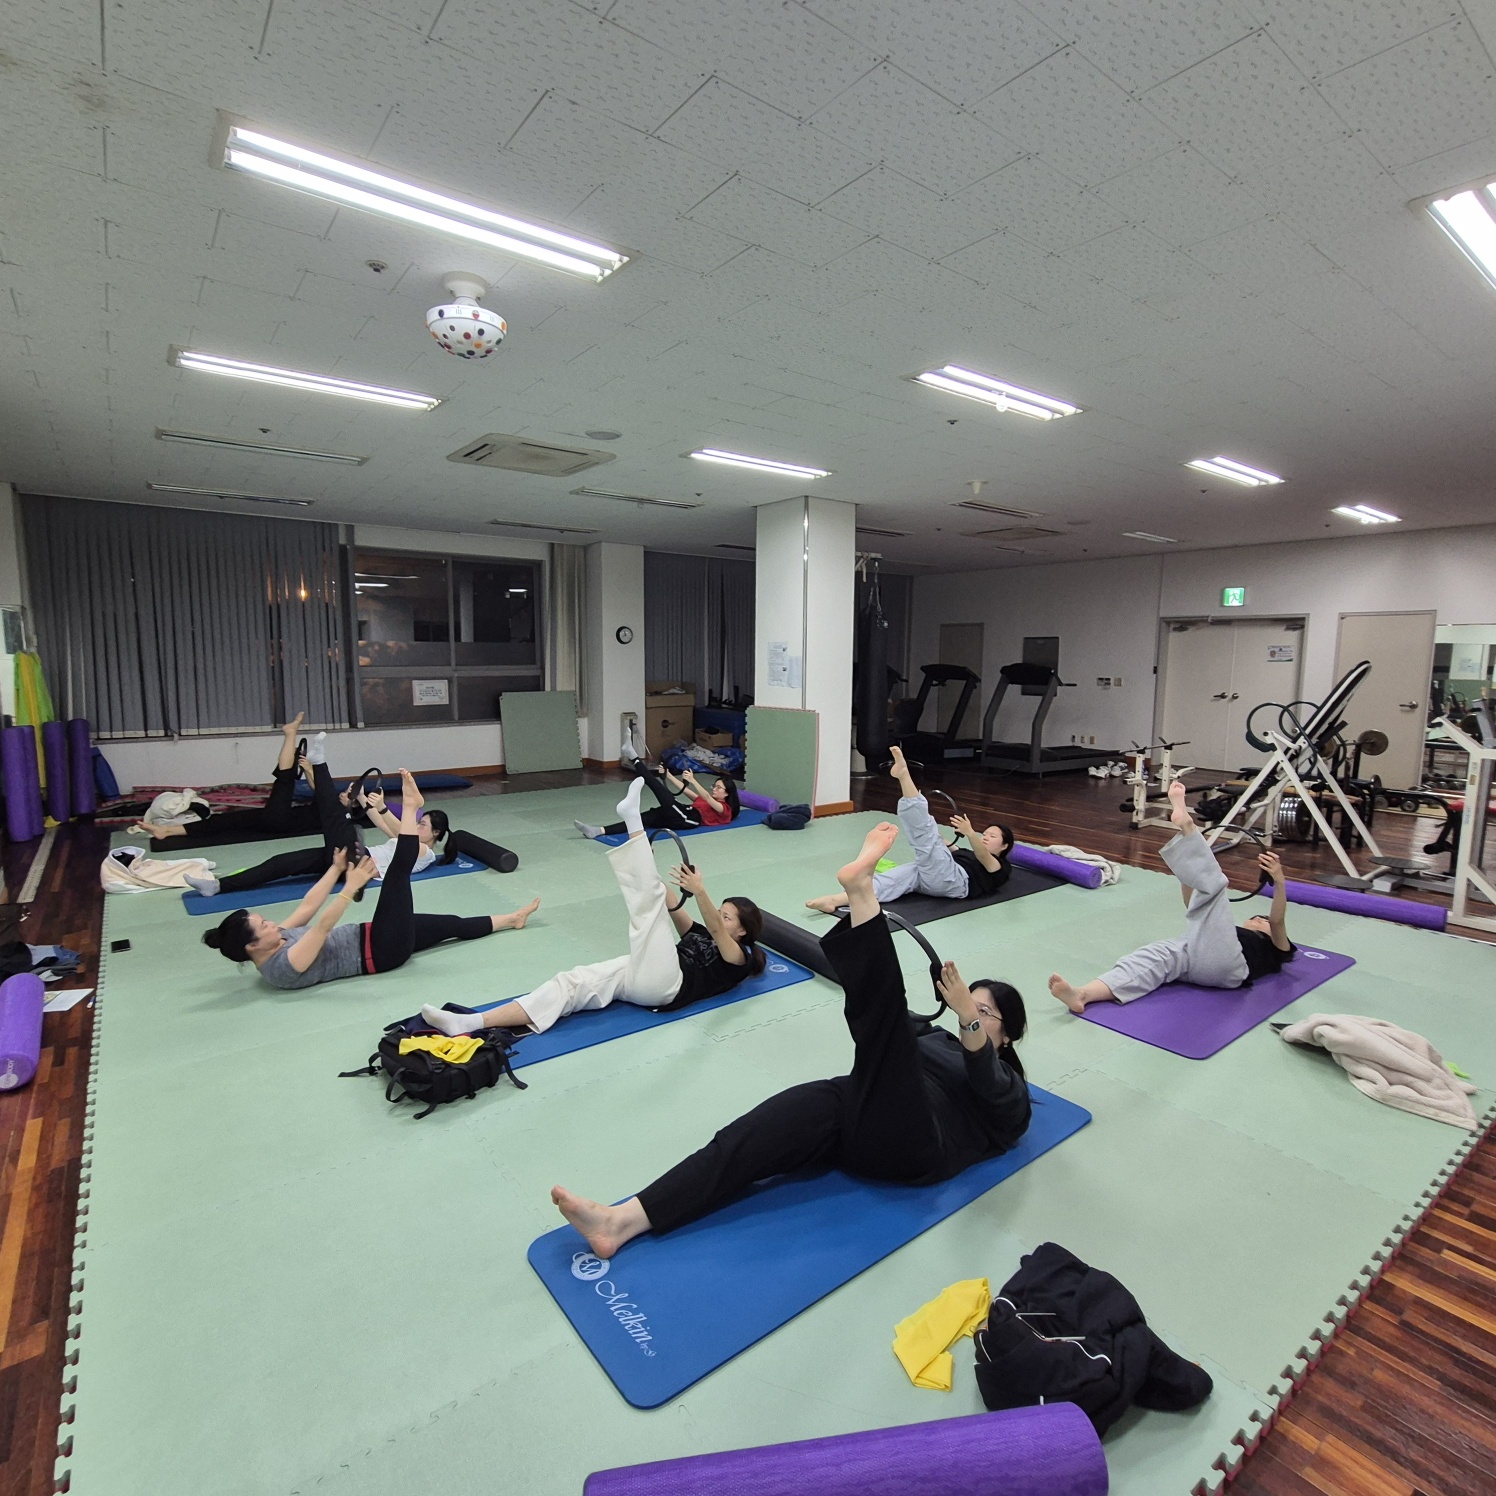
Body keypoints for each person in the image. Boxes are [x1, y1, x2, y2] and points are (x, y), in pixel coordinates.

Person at [547, 821, 1031, 1260]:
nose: (970, 1011)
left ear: (1007, 1035)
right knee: (746, 1139)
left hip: (918, 1141)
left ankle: (862, 895)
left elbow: (970, 1070)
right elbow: (881, 1022)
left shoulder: (1011, 1090)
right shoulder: (937, 1038)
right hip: (858, 1108)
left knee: (885, 1029)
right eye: (968, 1002)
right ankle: (622, 1220)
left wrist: (968, 1020)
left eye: (984, 1012)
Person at [422, 775, 762, 1037]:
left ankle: (632, 820)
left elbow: (710, 928)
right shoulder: (702, 932)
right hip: (642, 974)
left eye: (727, 916)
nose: (720, 918)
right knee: (570, 982)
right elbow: (668, 902)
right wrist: (648, 865)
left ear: (742, 931)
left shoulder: (738, 960)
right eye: (721, 911)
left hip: (668, 985)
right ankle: (471, 1022)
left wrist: (700, 891)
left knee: (648, 916)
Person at [202, 770, 538, 990]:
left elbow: (307, 907)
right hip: (380, 951)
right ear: (252, 947)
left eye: (265, 920)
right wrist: (349, 888)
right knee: (396, 876)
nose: (272, 923)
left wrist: (335, 870)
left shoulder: (275, 940)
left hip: (377, 935)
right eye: (263, 926)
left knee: (450, 923)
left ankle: (513, 918)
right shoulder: (282, 969)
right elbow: (321, 929)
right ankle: (411, 806)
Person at [1049, 781, 1294, 1013]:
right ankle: (1083, 994)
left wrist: (1280, 880)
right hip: (1194, 958)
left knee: (1214, 889)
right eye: (1256, 917)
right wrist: (1187, 874)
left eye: (1261, 920)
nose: (1258, 919)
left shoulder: (1275, 948)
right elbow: (1191, 904)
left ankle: (1188, 826)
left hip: (1231, 968)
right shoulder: (1221, 933)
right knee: (1149, 958)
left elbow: (1277, 921)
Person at [183, 760, 449, 900]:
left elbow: (400, 833)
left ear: (435, 834)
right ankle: (217, 886)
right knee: (280, 863)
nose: (417, 826)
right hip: (348, 857)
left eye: (423, 824)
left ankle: (320, 765)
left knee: (340, 821)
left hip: (358, 864)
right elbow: (385, 825)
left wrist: (381, 808)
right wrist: (363, 799)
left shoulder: (424, 853)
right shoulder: (407, 841)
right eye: (418, 822)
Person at [805, 745, 1012, 913]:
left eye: (992, 836)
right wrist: (939, 837)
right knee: (888, 880)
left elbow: (983, 856)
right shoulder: (968, 853)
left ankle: (904, 775)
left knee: (926, 837)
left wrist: (970, 833)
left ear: (1004, 846)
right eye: (985, 833)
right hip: (931, 876)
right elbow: (946, 847)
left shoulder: (1001, 868)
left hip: (954, 881)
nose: (985, 837)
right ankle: (834, 900)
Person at [130, 716, 374, 851]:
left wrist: (310, 770)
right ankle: (166, 831)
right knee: (225, 822)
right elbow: (319, 789)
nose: (345, 793)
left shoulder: (339, 813)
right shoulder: (333, 804)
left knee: (285, 779)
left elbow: (323, 791)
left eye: (349, 795)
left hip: (281, 820)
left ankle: (290, 733)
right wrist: (310, 770)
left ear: (352, 805)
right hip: (274, 819)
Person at [573, 762, 741, 841]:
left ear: (727, 793)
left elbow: (706, 797)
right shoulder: (708, 800)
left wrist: (694, 780)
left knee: (663, 794)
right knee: (642, 818)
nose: (714, 789)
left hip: (688, 819)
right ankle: (598, 831)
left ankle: (636, 761)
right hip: (684, 812)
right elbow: (687, 791)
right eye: (714, 786)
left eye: (718, 788)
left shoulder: (724, 809)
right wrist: (668, 775)